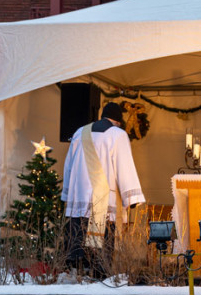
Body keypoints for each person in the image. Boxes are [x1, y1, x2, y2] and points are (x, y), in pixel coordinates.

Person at [61, 101, 145, 275]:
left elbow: (68, 166)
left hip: (78, 202)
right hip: (103, 202)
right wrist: (132, 198)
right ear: (118, 121)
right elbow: (125, 166)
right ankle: (99, 274)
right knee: (100, 255)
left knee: (78, 246)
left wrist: (67, 195)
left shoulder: (80, 132)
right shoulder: (117, 135)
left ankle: (77, 276)